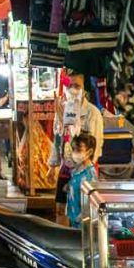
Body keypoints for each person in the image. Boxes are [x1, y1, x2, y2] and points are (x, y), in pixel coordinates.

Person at [52, 72, 104, 226]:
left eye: (77, 86)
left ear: (85, 90)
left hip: (84, 168)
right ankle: (61, 239)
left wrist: (84, 169)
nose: (73, 89)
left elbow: (94, 144)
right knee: (61, 208)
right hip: (66, 167)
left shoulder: (92, 113)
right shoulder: (63, 109)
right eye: (69, 85)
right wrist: (52, 164)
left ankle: (82, 242)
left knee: (84, 211)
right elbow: (57, 139)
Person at [66, 133, 98, 228]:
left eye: (79, 150)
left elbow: (91, 203)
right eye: (74, 149)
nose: (75, 153)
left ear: (90, 152)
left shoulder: (90, 174)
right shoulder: (77, 170)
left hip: (82, 225)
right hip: (73, 221)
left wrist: (80, 219)